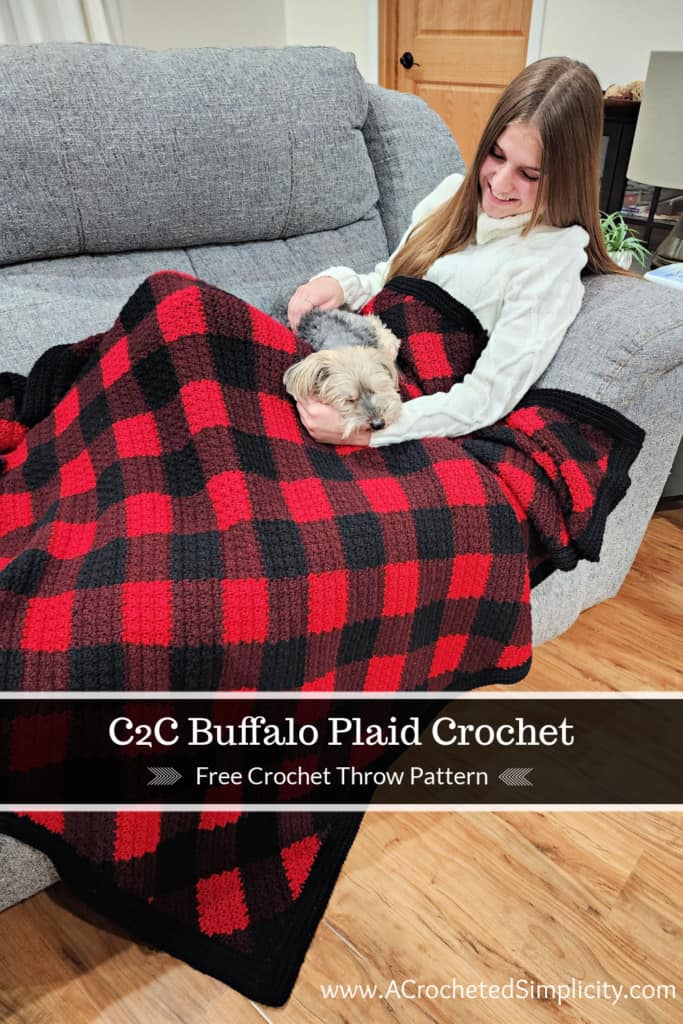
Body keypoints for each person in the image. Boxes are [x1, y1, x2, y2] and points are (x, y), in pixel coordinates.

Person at [287, 56, 628, 448]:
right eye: (496, 155)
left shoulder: (550, 260)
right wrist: (342, 284)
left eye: (529, 174)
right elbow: (388, 277)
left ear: (566, 178)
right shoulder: (450, 195)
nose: (499, 183)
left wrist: (371, 429)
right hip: (348, 359)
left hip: (402, 413)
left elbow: (486, 397)